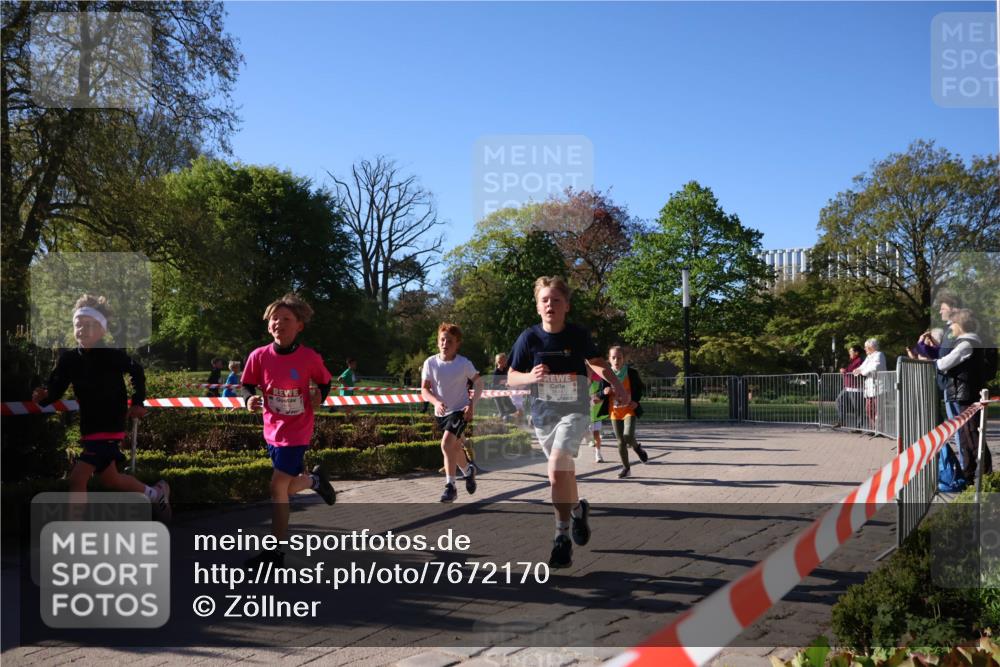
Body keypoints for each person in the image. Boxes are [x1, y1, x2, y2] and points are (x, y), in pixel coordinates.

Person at [507, 276, 628, 569]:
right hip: (543, 416)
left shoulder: (577, 335)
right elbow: (511, 376)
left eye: (556, 300)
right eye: (545, 300)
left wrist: (618, 386)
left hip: (575, 411)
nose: (550, 305)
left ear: (566, 306)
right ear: (538, 307)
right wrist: (530, 376)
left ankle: (561, 538)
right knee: (561, 476)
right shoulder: (529, 338)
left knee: (557, 466)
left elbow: (597, 362)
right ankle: (577, 510)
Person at [32, 295, 171, 520]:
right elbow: (57, 388)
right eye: (78, 324)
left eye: (89, 325)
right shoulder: (69, 359)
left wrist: (137, 402)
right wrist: (44, 397)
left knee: (77, 478)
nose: (82, 330)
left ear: (102, 330)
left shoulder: (112, 354)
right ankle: (156, 494)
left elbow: (137, 371)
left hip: (110, 423)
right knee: (111, 480)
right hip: (89, 425)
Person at [242, 293, 336, 566]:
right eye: (275, 318)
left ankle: (275, 553)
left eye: (286, 319)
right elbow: (246, 384)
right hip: (272, 430)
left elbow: (325, 381)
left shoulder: (309, 357)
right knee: (284, 489)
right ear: (268, 324)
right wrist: (248, 399)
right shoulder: (259, 356)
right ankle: (315, 481)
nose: (279, 323)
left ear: (299, 326)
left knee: (277, 487)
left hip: (298, 431)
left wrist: (320, 395)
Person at [420, 323, 483, 503]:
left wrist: (472, 405)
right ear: (437, 341)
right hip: (441, 413)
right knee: (454, 448)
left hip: (460, 411)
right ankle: (468, 471)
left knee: (446, 444)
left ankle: (450, 487)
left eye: (449, 341)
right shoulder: (430, 363)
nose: (445, 344)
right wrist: (436, 402)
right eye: (442, 340)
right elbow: (424, 390)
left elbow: (479, 383)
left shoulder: (463, 363)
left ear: (457, 344)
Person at [936, 308, 993, 483]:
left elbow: (943, 364)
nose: (950, 328)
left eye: (952, 324)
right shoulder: (968, 342)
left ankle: (987, 476)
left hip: (966, 394)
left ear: (960, 325)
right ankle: (968, 474)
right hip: (964, 393)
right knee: (965, 436)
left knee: (972, 436)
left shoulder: (967, 343)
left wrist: (934, 362)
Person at [602, 346, 648, 478]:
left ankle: (637, 448)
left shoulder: (631, 373)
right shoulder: (606, 374)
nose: (616, 360)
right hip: (615, 412)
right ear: (609, 359)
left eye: (619, 358)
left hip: (629, 410)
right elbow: (602, 391)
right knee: (620, 441)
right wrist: (604, 392)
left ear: (624, 359)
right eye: (613, 358)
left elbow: (640, 388)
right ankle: (626, 468)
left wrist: (636, 401)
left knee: (627, 435)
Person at [853, 338, 886, 431]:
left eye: (866, 347)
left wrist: (862, 372)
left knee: (878, 410)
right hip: (870, 388)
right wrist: (857, 370)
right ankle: (873, 428)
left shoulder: (879, 354)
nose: (865, 349)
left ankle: (879, 430)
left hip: (879, 387)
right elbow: (862, 366)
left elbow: (875, 367)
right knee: (869, 409)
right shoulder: (868, 357)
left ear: (871, 347)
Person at [835, 345, 864, 428]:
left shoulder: (860, 360)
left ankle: (858, 427)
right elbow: (849, 370)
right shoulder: (851, 360)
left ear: (856, 353)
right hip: (848, 387)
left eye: (851, 351)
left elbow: (857, 371)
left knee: (857, 407)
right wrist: (844, 370)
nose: (849, 353)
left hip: (856, 388)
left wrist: (845, 371)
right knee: (839, 400)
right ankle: (842, 421)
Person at [490, 353, 518, 421]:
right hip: (497, 396)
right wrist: (502, 385)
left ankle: (502, 414)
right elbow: (493, 386)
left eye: (505, 360)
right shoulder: (496, 372)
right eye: (503, 360)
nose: (505, 362)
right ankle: (501, 415)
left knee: (513, 409)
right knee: (502, 412)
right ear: (498, 362)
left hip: (505, 394)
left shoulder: (506, 369)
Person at [588, 369, 607, 463]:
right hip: (583, 415)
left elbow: (603, 397)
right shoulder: (579, 384)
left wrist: (596, 400)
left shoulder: (598, 383)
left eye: (590, 370)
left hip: (596, 413)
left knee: (596, 434)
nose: (588, 372)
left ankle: (598, 454)